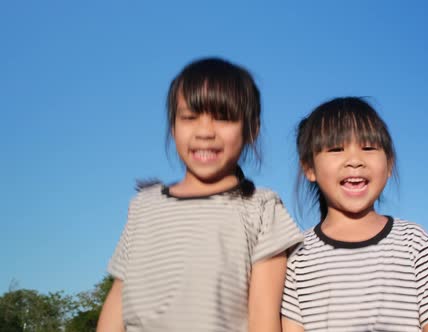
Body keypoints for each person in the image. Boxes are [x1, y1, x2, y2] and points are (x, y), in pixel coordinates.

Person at [97, 57, 303, 331]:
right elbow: (118, 303)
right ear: (173, 127)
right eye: (190, 117)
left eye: (223, 117)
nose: (205, 132)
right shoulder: (143, 205)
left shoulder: (262, 208)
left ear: (252, 130)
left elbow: (263, 316)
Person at [281, 97, 428, 332]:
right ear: (309, 168)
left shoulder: (415, 242)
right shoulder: (296, 257)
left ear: (389, 164)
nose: (354, 161)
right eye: (336, 149)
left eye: (368, 147)